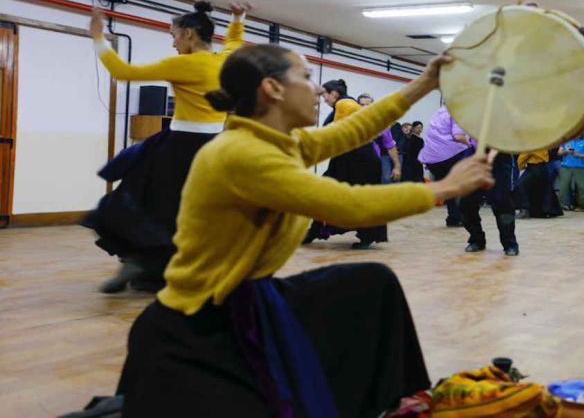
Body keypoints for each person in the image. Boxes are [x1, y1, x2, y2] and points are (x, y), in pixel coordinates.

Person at [116, 45, 496, 418]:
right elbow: (348, 205)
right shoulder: (241, 154)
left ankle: (393, 402)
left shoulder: (280, 143)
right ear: (273, 89)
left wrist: (424, 83)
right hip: (201, 322)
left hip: (252, 296)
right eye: (306, 77)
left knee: (371, 282)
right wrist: (444, 189)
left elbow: (356, 128)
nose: (317, 90)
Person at [83, 1, 250, 294]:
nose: (173, 42)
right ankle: (156, 268)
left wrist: (99, 38)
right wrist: (238, 17)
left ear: (188, 34)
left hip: (179, 150)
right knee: (186, 213)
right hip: (211, 148)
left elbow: (122, 71)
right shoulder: (226, 60)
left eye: (173, 35)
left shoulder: (184, 64)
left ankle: (140, 263)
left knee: (141, 203)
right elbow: (235, 40)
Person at [304, 79, 388, 249]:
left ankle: (365, 236)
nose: (324, 99)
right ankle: (316, 230)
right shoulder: (343, 104)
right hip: (350, 160)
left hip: (359, 161)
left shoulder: (345, 103)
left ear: (333, 94)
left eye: (324, 95)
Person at [460, 149, 520, 256]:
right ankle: (476, 239)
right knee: (466, 203)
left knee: (502, 203)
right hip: (475, 157)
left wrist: (493, 153)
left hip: (501, 159)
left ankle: (510, 243)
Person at [418, 107, 470, 226]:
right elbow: (458, 136)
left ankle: (453, 217)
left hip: (433, 160)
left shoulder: (438, 113)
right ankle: (457, 217)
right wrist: (470, 144)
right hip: (448, 157)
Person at [359, 94, 402, 183]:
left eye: (368, 105)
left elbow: (391, 147)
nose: (365, 107)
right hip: (352, 165)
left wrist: (397, 167)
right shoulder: (349, 122)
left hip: (372, 166)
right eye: (362, 105)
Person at [514, 149, 561, 219]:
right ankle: (544, 211)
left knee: (520, 185)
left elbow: (524, 155)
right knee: (542, 188)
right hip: (543, 168)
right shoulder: (543, 144)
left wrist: (520, 165)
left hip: (533, 168)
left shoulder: (532, 144)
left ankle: (524, 210)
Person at [557, 133, 584, 212]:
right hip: (566, 167)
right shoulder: (565, 141)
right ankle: (558, 206)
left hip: (580, 168)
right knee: (563, 187)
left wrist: (579, 155)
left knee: (583, 187)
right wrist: (566, 151)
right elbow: (559, 153)